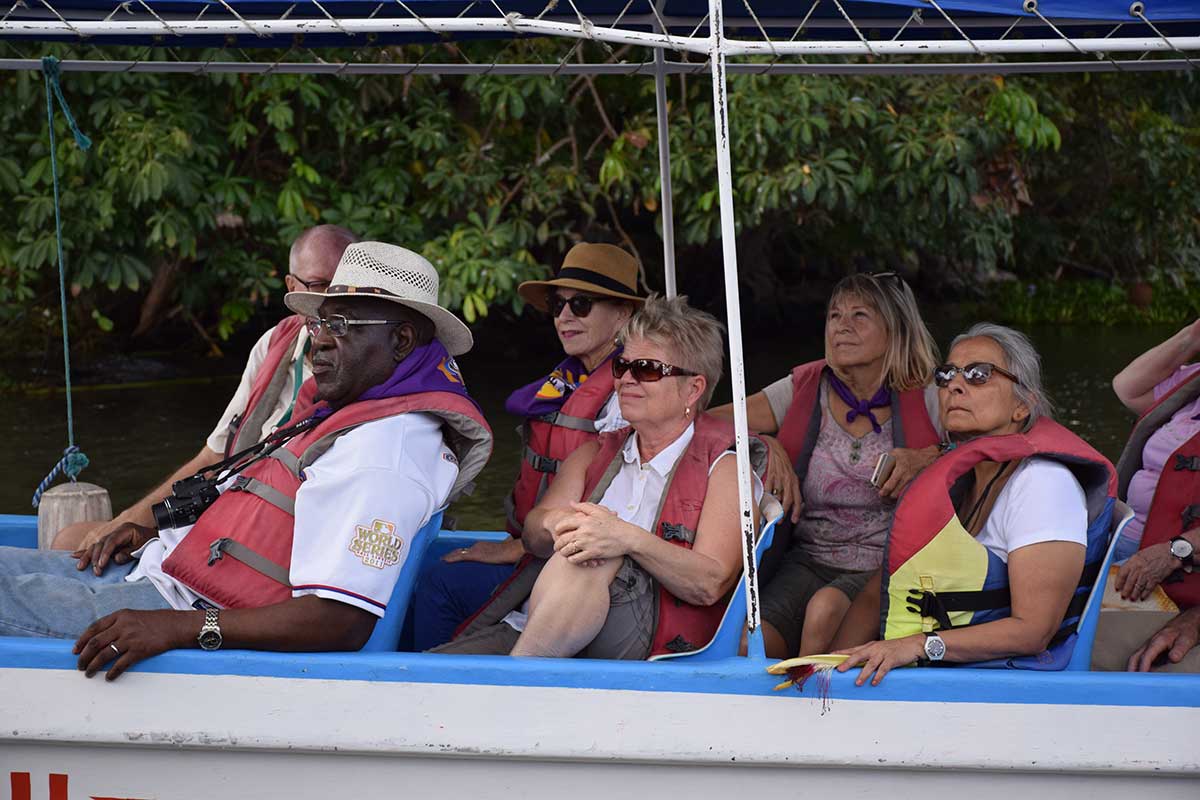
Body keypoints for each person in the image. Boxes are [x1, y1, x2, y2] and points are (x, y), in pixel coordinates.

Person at [0, 242, 493, 682]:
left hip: (175, 607)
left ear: (402, 341)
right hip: (161, 575)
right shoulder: (352, 412)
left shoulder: (386, 451)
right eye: (319, 322)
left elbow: (339, 622)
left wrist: (180, 628)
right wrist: (149, 527)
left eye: (340, 325)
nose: (318, 339)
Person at [431, 294, 766, 659]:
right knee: (430, 672)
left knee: (594, 555)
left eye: (649, 369)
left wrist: (624, 538)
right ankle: (524, 669)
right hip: (537, 621)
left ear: (694, 388)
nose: (627, 380)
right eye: (622, 367)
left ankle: (520, 680)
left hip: (647, 638)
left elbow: (710, 582)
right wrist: (560, 522)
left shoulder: (725, 468)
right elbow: (534, 533)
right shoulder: (595, 452)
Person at [832, 324, 1115, 685]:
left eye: (979, 374)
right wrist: (831, 672)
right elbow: (878, 593)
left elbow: (1034, 631)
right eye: (946, 374)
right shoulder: (960, 481)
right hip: (928, 671)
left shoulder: (1043, 485)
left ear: (1021, 405)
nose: (955, 385)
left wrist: (917, 646)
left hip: (995, 681)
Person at [52, 224, 359, 552]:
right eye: (317, 286)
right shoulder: (274, 345)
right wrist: (129, 520)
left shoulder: (361, 368)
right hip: (225, 503)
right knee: (71, 539)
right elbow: (215, 455)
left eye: (345, 288)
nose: (330, 302)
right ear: (291, 287)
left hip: (260, 531)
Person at [411, 242, 643, 651]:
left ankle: (428, 688)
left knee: (440, 584)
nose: (565, 316)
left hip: (580, 562)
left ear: (623, 314)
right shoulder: (571, 381)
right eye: (558, 305)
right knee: (437, 569)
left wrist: (518, 547)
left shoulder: (630, 396)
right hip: (540, 544)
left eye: (582, 304)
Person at [710, 272, 941, 659]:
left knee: (823, 611)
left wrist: (926, 457)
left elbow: (986, 447)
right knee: (748, 644)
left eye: (859, 316)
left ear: (895, 330)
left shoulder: (931, 396)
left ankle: (814, 708)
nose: (842, 327)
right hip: (807, 559)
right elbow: (711, 424)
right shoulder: (805, 387)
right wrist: (766, 444)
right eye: (835, 316)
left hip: (887, 566)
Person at [1089, 319, 1200, 672]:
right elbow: (1127, 387)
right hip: (1126, 549)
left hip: (1175, 571)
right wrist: (1192, 336)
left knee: (1090, 647)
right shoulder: (1191, 382)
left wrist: (1175, 550)